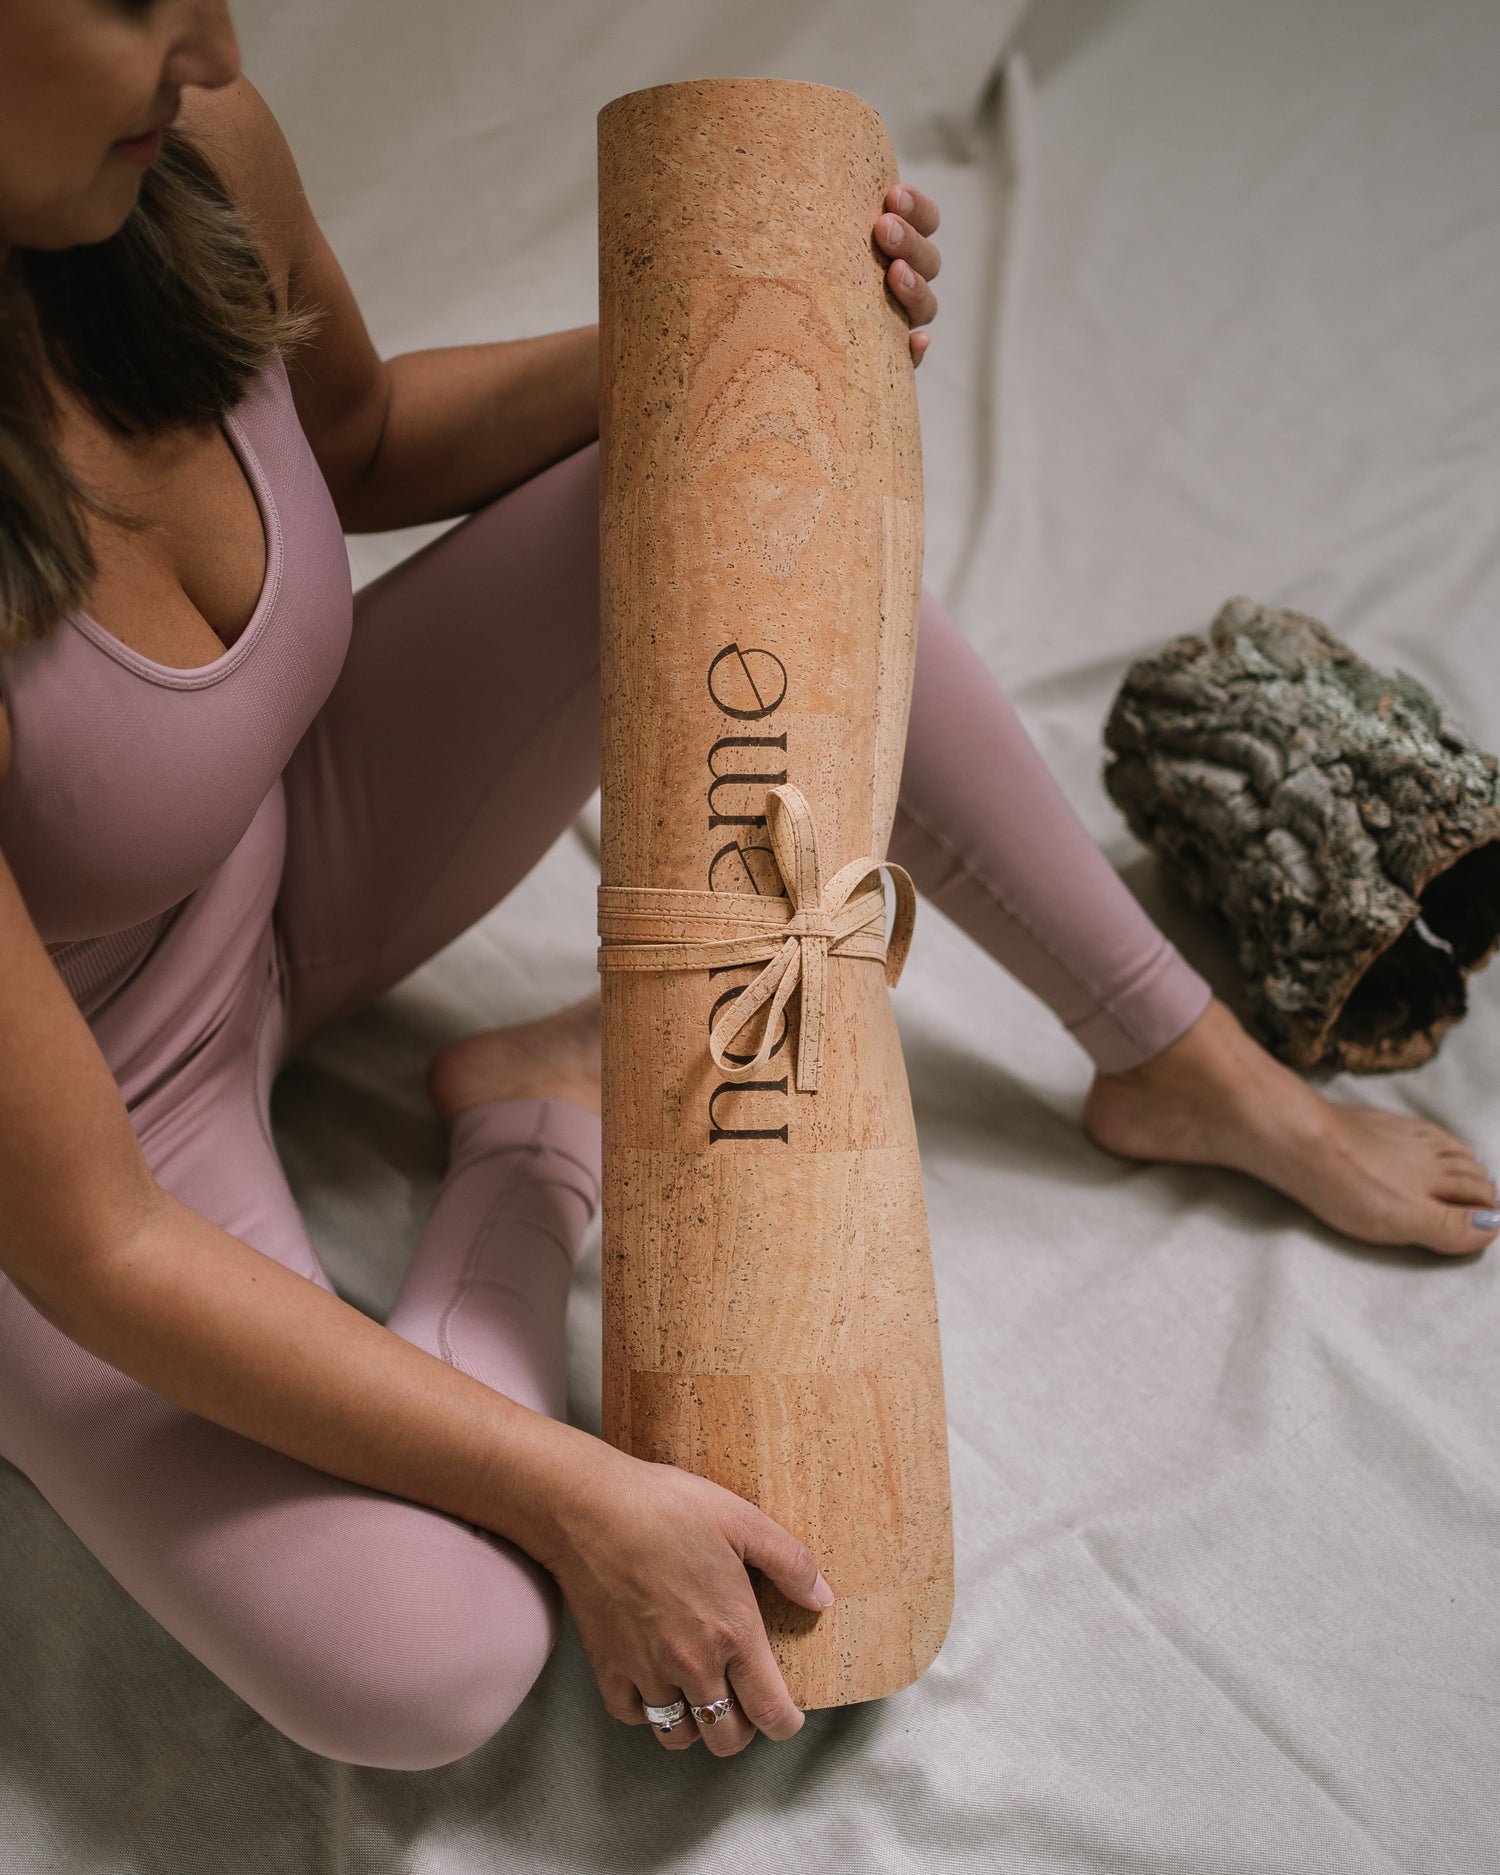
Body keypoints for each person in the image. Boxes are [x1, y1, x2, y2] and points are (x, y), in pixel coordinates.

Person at [0, 0, 1494, 1776]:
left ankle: (1182, 1063)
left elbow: (370, 434)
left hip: (285, 858)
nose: (215, 45)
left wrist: (752, 312)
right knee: (429, 1658)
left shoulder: (177, 154)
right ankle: (536, 1135)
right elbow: (103, 1244)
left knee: (745, 480)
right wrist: (579, 1494)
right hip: (71, 1175)